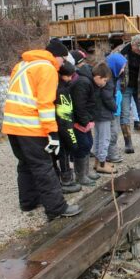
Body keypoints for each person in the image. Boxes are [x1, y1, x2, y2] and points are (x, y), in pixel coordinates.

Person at [2, 39, 81, 220]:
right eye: (64, 59)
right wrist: (52, 133)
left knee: (25, 164)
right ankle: (56, 208)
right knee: (43, 166)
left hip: (12, 125)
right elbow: (45, 104)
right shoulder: (47, 69)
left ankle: (28, 202)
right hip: (30, 126)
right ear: (57, 57)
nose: (64, 64)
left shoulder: (22, 65)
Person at [70, 50, 101, 186]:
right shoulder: (80, 81)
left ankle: (86, 172)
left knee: (88, 143)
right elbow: (79, 105)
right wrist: (84, 121)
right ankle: (80, 175)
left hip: (86, 119)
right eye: (81, 63)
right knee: (82, 146)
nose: (84, 65)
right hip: (80, 121)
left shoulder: (84, 78)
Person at [53, 61, 80, 193]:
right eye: (68, 76)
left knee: (61, 153)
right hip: (62, 127)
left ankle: (63, 179)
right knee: (63, 153)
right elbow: (65, 117)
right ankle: (66, 181)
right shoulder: (61, 91)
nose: (70, 79)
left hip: (58, 126)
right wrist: (72, 140)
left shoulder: (60, 87)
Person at [91, 62, 116, 174]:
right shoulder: (103, 85)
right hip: (104, 114)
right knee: (105, 139)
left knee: (97, 138)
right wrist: (115, 107)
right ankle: (102, 163)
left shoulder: (96, 83)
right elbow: (107, 98)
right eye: (105, 80)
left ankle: (97, 162)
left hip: (97, 113)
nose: (105, 83)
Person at [105, 53, 127, 161]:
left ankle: (111, 153)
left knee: (113, 132)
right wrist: (114, 107)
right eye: (121, 67)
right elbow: (107, 97)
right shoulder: (108, 80)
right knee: (112, 133)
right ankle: (111, 155)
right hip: (111, 110)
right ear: (115, 66)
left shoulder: (115, 77)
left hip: (115, 109)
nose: (123, 70)